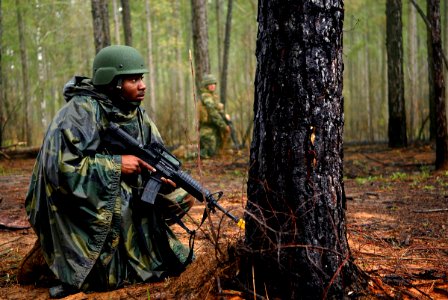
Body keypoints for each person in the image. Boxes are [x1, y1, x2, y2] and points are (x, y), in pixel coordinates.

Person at [18, 45, 194, 298]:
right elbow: (58, 169)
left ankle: (144, 254)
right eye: (134, 79)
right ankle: (67, 263)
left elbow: (154, 156)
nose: (142, 85)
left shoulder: (137, 114)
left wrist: (162, 179)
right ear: (112, 82)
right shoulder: (80, 112)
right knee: (120, 199)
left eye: (142, 78)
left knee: (178, 199)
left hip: (117, 191)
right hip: (74, 199)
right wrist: (115, 165)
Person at [198, 74, 230, 158]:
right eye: (210, 84)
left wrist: (225, 116)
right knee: (209, 153)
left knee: (218, 151)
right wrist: (224, 126)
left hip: (215, 128)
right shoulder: (206, 97)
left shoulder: (213, 97)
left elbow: (218, 111)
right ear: (206, 86)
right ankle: (188, 155)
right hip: (207, 129)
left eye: (213, 84)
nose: (212, 86)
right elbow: (213, 113)